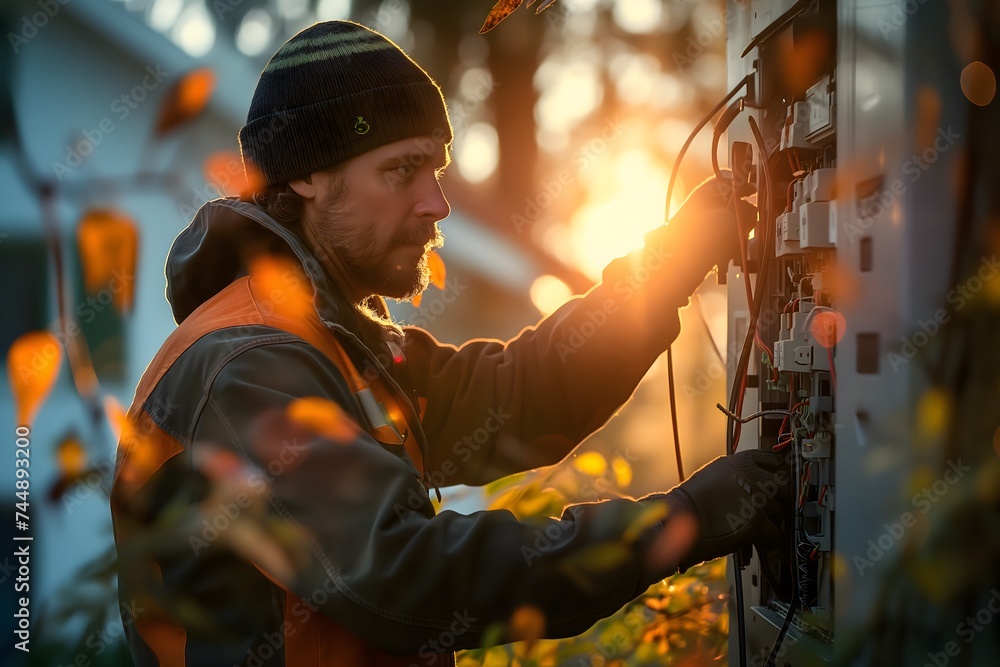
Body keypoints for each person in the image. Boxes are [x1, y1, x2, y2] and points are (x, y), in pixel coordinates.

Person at [110, 20, 790, 667]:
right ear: (306, 176)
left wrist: (671, 261)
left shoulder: (337, 348)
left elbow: (522, 394)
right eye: (401, 170)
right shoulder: (249, 365)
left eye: (434, 169)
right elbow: (411, 573)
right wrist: (682, 522)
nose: (437, 204)